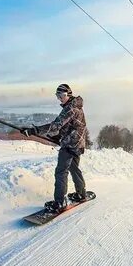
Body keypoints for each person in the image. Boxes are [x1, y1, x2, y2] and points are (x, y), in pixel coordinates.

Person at [21, 84, 87, 213]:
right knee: (74, 168)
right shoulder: (76, 105)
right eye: (57, 96)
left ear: (68, 94)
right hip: (78, 144)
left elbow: (56, 126)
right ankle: (81, 193)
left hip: (70, 145)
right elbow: (71, 126)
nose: (59, 98)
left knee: (61, 172)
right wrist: (59, 137)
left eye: (61, 96)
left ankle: (60, 203)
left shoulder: (70, 108)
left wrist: (35, 130)